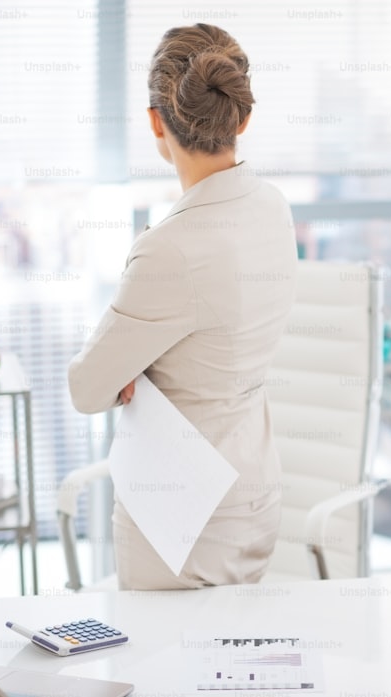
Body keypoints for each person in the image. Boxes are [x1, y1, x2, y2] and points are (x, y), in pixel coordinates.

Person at [68, 23, 298, 590]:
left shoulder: (169, 249)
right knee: (229, 666)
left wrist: (131, 369)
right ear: (241, 118)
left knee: (166, 669)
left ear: (155, 121)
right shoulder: (274, 208)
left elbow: (87, 388)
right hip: (255, 495)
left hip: (182, 517)